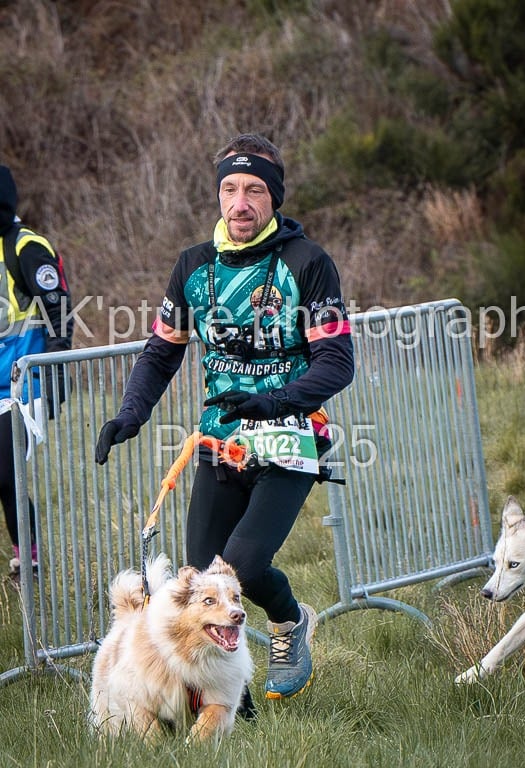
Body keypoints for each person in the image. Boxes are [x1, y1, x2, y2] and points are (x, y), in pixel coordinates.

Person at [95, 134, 354, 704]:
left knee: (240, 568)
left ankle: (289, 621)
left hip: (290, 438)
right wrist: (130, 414)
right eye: (230, 189)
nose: (240, 203)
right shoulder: (193, 265)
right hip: (219, 443)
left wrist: (276, 400)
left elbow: (338, 362)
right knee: (203, 584)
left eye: (254, 190)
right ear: (217, 195)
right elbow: (160, 354)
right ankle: (235, 714)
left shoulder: (307, 263)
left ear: (274, 197)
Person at [0, 165, 73, 579]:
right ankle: (24, 557)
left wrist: (55, 370)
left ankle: (28, 559)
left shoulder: (25, 246)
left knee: (4, 469)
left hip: (24, 386)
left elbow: (59, 310)